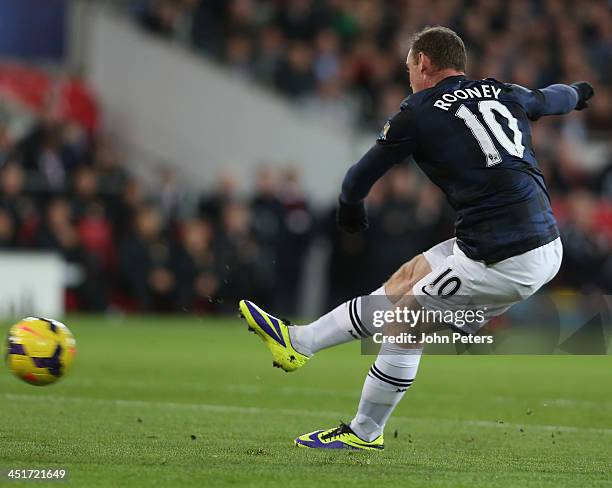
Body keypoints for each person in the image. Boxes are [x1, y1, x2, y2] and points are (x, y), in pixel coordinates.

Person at [238, 26, 594, 451]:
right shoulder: (501, 91)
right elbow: (553, 98)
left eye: (409, 65)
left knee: (406, 320)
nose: (408, 73)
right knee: (405, 281)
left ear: (423, 63)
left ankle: (365, 432)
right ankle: (298, 343)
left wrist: (350, 212)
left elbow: (358, 178)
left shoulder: (419, 111)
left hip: (505, 255)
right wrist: (580, 90)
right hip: (525, 241)